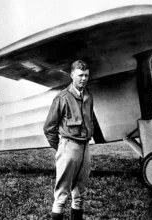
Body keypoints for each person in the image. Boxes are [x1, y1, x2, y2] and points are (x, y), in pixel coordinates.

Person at [43, 60, 94, 220]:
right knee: (62, 194)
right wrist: (60, 147)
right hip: (69, 147)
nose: (83, 79)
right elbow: (49, 128)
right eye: (80, 75)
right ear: (72, 75)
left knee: (80, 192)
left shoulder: (88, 96)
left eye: (86, 75)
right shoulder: (62, 98)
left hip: (85, 147)